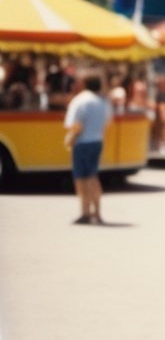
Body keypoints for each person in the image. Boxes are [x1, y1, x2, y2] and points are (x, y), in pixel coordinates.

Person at [63, 71, 111, 225]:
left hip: (82, 141)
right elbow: (107, 122)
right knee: (92, 176)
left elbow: (75, 124)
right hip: (97, 140)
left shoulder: (80, 101)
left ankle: (85, 211)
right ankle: (96, 211)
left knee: (81, 178)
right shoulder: (103, 102)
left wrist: (71, 138)